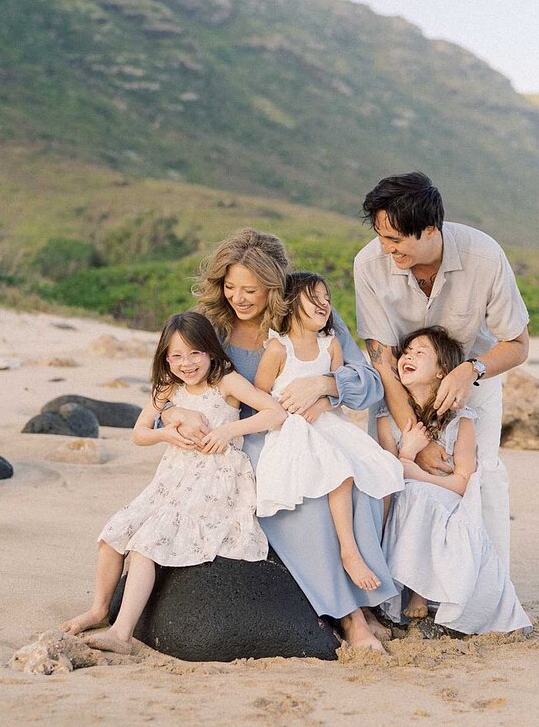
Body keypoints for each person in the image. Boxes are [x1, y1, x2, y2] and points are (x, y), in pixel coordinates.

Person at [161, 229, 393, 652]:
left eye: (251, 289)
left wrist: (325, 385)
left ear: (275, 286)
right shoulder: (212, 326)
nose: (240, 298)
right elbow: (171, 381)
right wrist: (172, 412)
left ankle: (370, 600)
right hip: (245, 439)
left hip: (309, 431)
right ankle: (351, 617)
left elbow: (370, 384)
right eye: (231, 287)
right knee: (308, 496)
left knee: (362, 479)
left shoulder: (308, 317)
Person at [59, 311, 285, 653]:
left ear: (210, 351)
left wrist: (228, 430)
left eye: (195, 353)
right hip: (174, 474)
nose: (187, 363)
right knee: (114, 534)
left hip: (216, 476)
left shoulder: (226, 381)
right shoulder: (168, 386)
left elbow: (275, 413)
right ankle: (99, 609)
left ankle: (121, 634)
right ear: (166, 357)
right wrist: (166, 433)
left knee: (145, 544)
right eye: (176, 355)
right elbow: (138, 433)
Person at [354, 172, 530, 567]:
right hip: (400, 381)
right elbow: (381, 359)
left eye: (395, 240)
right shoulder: (368, 263)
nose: (385, 249)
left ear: (431, 230)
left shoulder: (484, 257)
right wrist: (418, 435)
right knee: (387, 471)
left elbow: (519, 345)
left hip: (474, 378)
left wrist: (471, 369)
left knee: (482, 475)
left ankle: (483, 586)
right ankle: (391, 590)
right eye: (381, 236)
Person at [253, 272, 404, 592]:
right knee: (340, 470)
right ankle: (349, 553)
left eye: (327, 298)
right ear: (292, 302)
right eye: (314, 297)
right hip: (292, 428)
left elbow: (336, 393)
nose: (324, 304)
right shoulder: (279, 349)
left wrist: (322, 401)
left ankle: (378, 553)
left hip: (329, 423)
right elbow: (260, 394)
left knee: (386, 468)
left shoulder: (331, 344)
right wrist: (284, 414)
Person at [376, 327, 531, 634]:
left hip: (446, 500)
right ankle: (404, 592)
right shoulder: (386, 416)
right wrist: (406, 453)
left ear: (441, 373)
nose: (408, 356)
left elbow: (462, 482)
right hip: (403, 497)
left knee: (418, 494)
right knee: (409, 495)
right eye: (406, 352)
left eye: (420, 353)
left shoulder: (461, 420)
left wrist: (415, 470)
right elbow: (386, 469)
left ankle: (419, 593)